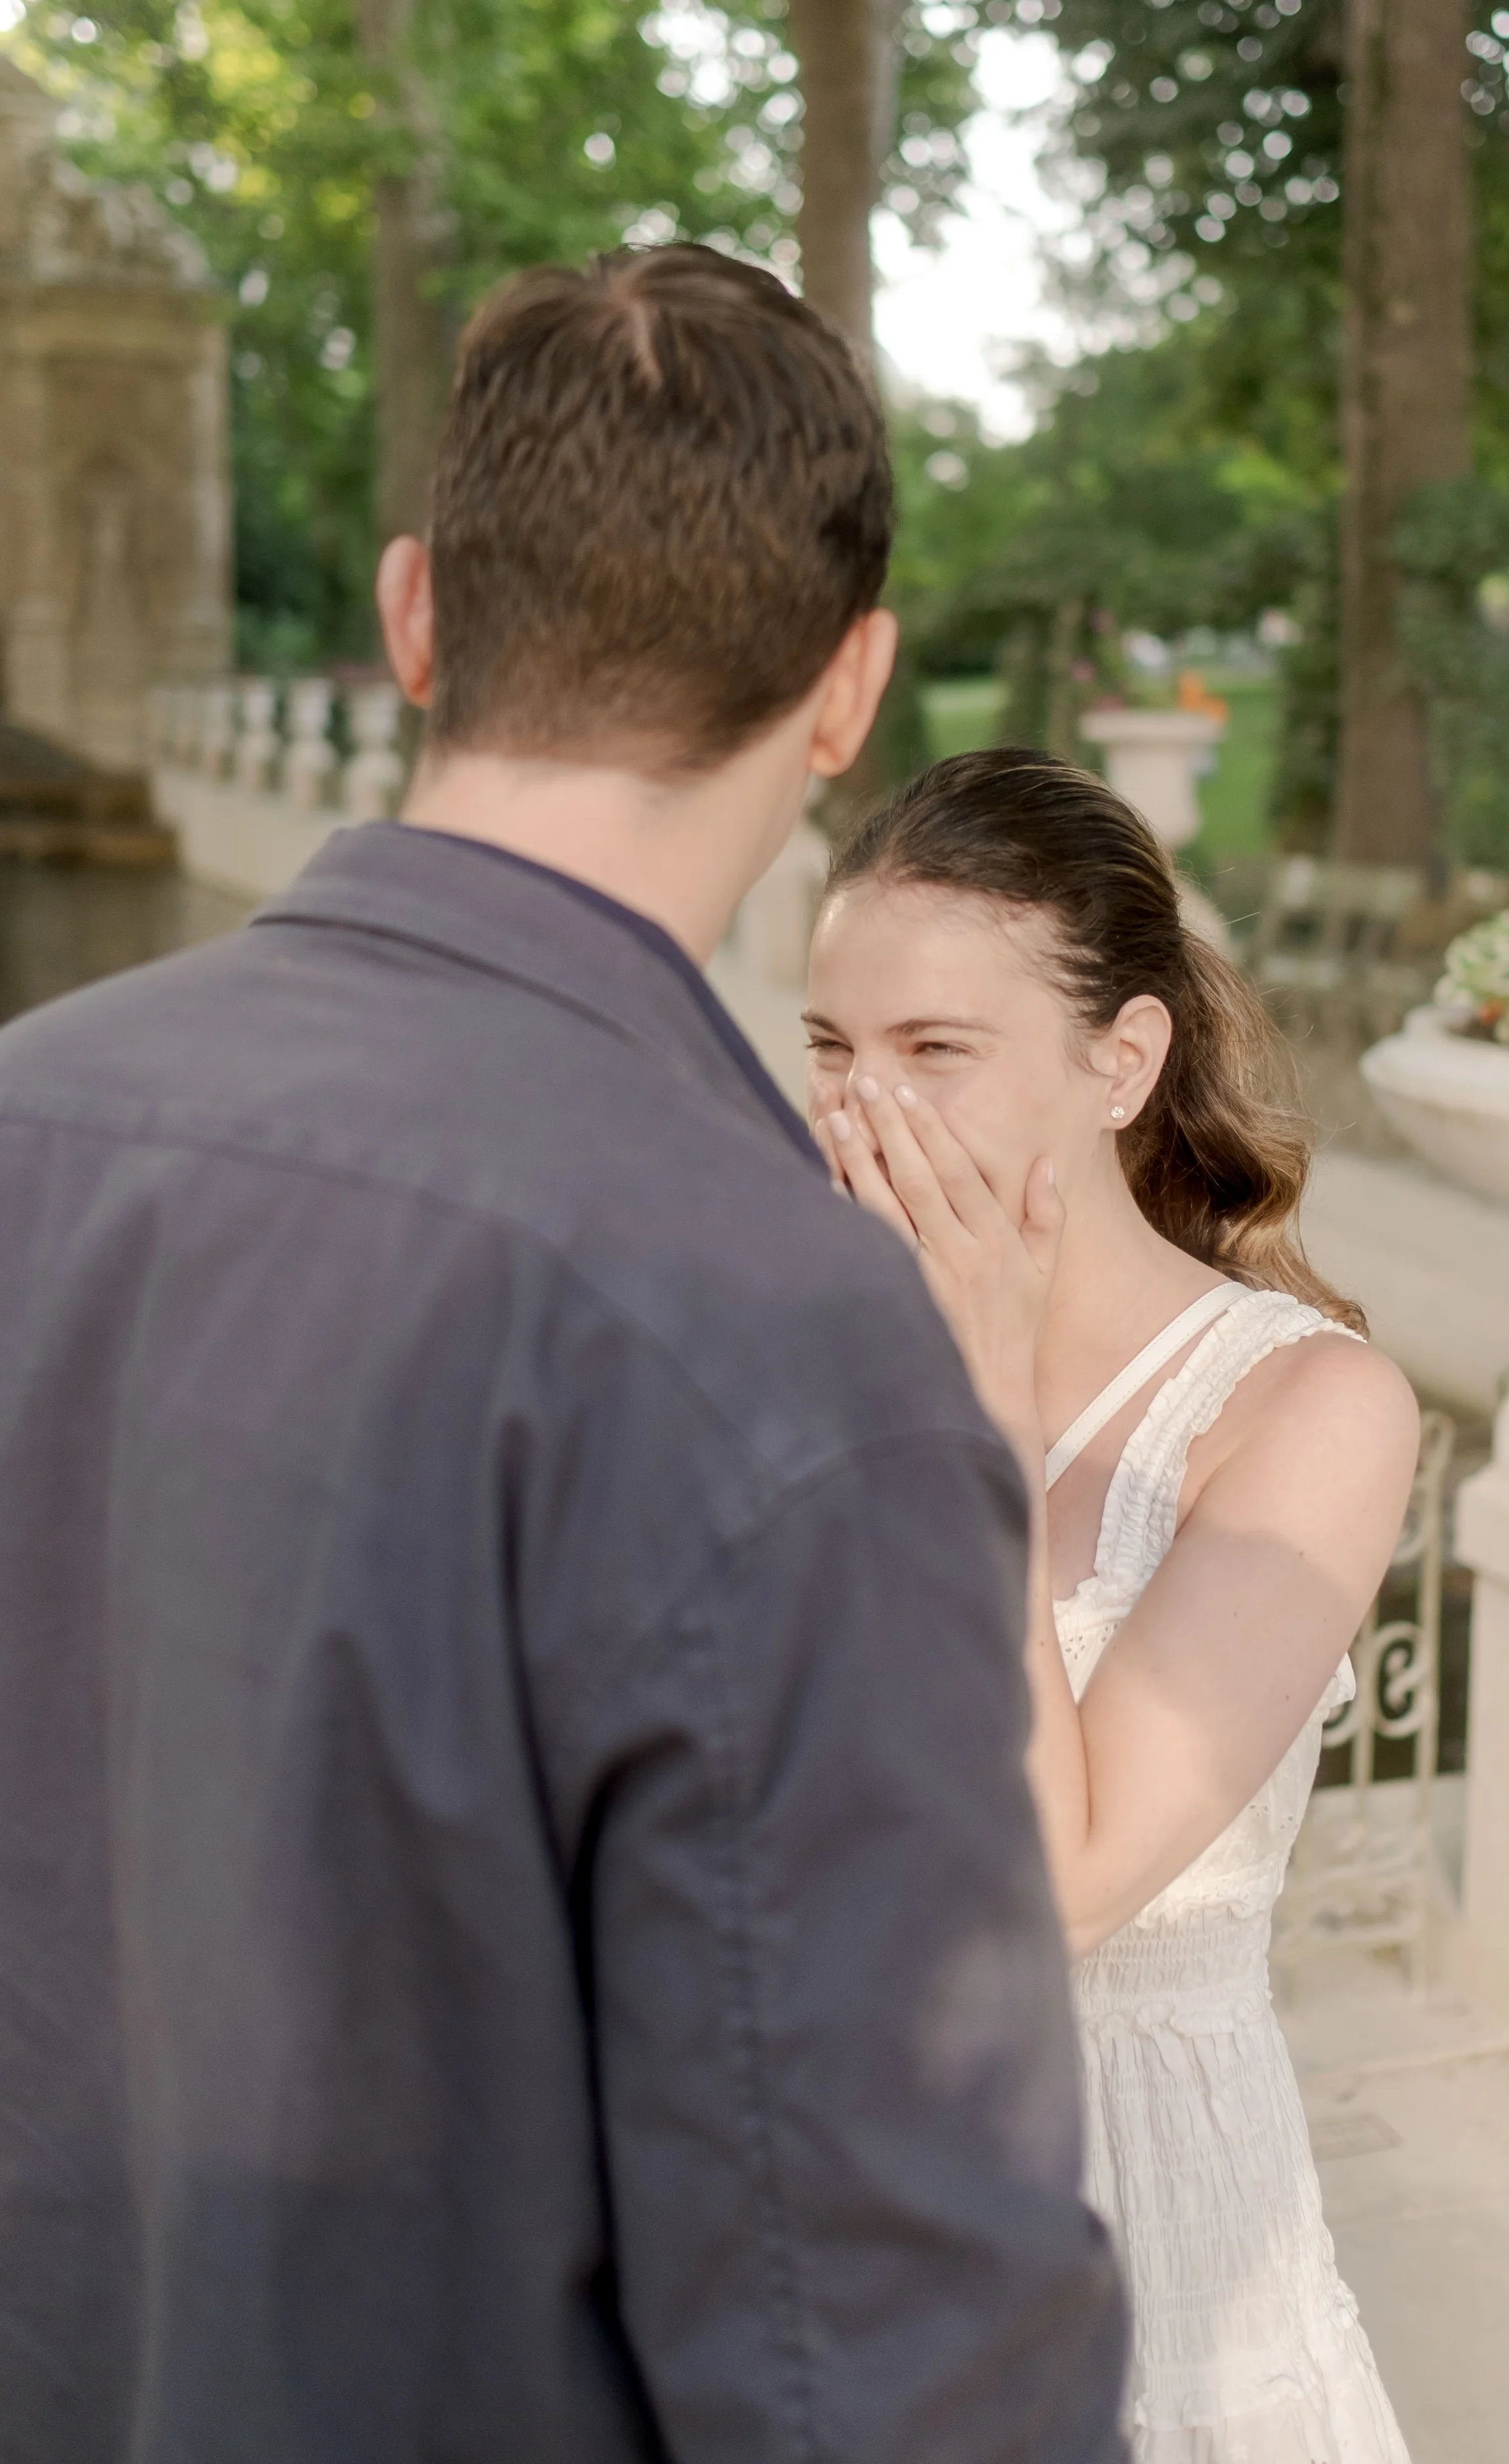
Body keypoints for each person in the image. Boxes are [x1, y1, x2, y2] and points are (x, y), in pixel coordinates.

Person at [0, 254, 1128, 2461]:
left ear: (416, 617)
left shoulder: (28, 1113)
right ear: (846, 693)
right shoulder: (789, 1336)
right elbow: (884, 2350)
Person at [806, 747, 1421, 2464]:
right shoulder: (801, 1360)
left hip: (1151, 2245)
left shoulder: (1307, 1410)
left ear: (1120, 1061)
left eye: (934, 1050)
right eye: (831, 1050)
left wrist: (978, 1394)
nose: (864, 1109)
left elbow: (1055, 1878)